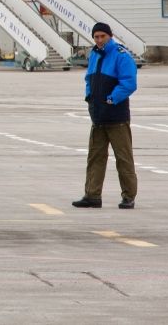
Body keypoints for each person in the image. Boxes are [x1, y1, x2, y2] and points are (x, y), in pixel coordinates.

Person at [72, 22, 138, 210]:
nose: (99, 40)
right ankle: (92, 195)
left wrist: (112, 99)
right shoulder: (94, 54)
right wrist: (89, 97)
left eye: (102, 36)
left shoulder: (120, 55)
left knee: (123, 158)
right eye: (96, 37)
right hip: (98, 117)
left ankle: (128, 196)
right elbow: (89, 79)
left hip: (117, 118)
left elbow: (129, 83)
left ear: (110, 36)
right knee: (95, 157)